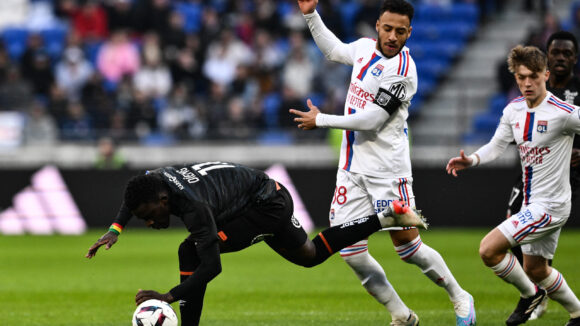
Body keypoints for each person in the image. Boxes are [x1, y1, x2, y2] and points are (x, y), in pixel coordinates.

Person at [289, 1, 476, 325]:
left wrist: (322, 121)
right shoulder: (363, 48)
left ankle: (461, 297)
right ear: (377, 25)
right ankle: (401, 315)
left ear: (409, 33)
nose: (392, 36)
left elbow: (373, 119)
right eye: (387, 28)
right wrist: (310, 15)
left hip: (387, 171)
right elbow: (334, 51)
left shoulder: (403, 72)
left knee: (408, 248)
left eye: (400, 31)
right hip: (351, 169)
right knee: (349, 250)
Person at [85, 161, 427, 326]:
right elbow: (134, 195)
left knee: (191, 250)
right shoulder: (153, 181)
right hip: (269, 191)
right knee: (309, 255)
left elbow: (211, 267)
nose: (149, 222)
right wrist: (116, 228)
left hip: (266, 207)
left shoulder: (194, 209)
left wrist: (169, 296)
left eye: (150, 215)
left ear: (163, 199)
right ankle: (384, 219)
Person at [446, 45, 580, 326]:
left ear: (546, 74)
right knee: (536, 268)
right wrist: (472, 159)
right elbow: (497, 145)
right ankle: (578, 313)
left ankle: (529, 295)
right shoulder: (513, 111)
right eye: (521, 77)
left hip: (552, 206)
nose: (527, 83)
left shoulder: (564, 113)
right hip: (533, 203)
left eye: (533, 76)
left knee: (488, 250)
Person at [503, 30, 580, 320]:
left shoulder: (576, 92)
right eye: (555, 53)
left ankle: (539, 292)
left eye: (567, 53)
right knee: (514, 230)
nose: (561, 57)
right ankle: (538, 292)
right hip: (533, 174)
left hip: (571, 175)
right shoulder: (531, 87)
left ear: (575, 58)